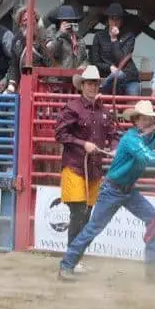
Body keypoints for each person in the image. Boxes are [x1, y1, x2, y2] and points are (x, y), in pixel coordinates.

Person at [58, 100, 155, 282]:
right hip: (113, 190)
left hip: (126, 190)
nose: (146, 121)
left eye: (149, 118)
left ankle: (153, 270)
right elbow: (149, 158)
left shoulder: (150, 136)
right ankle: (66, 265)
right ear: (136, 120)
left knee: (154, 220)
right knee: (93, 229)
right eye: (143, 118)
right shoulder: (131, 139)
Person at [54, 65, 119, 248]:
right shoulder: (72, 108)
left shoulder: (105, 112)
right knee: (79, 212)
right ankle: (71, 260)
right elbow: (59, 134)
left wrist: (114, 148)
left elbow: (113, 135)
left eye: (95, 84)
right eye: (89, 84)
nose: (92, 87)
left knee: (86, 214)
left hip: (94, 170)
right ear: (82, 85)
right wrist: (83, 144)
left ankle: (75, 257)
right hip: (74, 167)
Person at [91, 3, 141, 96]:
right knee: (115, 76)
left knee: (133, 101)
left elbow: (122, 59)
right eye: (112, 18)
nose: (114, 21)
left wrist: (114, 39)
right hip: (109, 78)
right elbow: (95, 62)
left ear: (121, 20)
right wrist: (109, 67)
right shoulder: (99, 36)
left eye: (117, 18)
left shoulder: (129, 36)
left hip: (128, 78)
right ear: (108, 19)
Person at [46, 4, 89, 69]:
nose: (69, 23)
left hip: (74, 77)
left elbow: (85, 58)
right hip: (57, 77)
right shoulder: (52, 34)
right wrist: (60, 33)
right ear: (59, 22)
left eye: (71, 21)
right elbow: (49, 53)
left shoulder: (79, 39)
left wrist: (84, 65)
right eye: (66, 21)